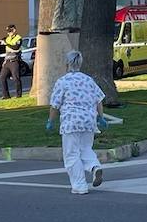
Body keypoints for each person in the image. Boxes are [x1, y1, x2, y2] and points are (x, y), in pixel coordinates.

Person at [46, 50, 108, 194]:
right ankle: (94, 167)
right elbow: (98, 100)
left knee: (71, 154)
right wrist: (101, 117)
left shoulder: (62, 82)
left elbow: (55, 105)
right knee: (86, 149)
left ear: (67, 64)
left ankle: (80, 185)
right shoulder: (88, 80)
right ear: (80, 63)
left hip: (71, 122)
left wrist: (50, 121)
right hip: (88, 121)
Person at [0, 23, 24, 100]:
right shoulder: (7, 38)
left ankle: (18, 95)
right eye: (8, 31)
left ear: (14, 30)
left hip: (14, 61)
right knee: (2, 77)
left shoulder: (18, 38)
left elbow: (16, 47)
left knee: (16, 78)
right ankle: (6, 96)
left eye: (10, 31)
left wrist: (6, 44)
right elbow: (1, 42)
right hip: (7, 61)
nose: (9, 33)